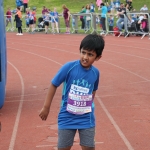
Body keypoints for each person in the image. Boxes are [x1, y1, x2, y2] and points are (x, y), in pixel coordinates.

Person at [39, 34, 105, 150]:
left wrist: (87, 105)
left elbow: (93, 91)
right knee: (64, 147)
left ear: (98, 57)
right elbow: (54, 84)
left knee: (89, 147)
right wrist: (46, 107)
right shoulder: (69, 67)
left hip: (86, 118)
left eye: (90, 55)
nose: (85, 57)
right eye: (83, 52)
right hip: (67, 116)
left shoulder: (96, 73)